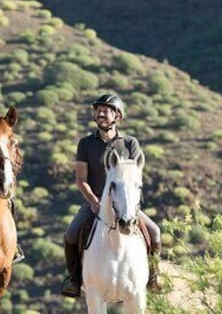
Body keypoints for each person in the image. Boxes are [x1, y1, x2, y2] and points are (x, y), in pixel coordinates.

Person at [61, 94, 162, 298]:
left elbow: (135, 179)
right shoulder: (86, 144)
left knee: (155, 232)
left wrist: (130, 205)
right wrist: (94, 202)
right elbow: (81, 180)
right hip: (95, 202)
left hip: (125, 203)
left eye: (106, 110)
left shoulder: (130, 144)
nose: (100, 113)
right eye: (98, 110)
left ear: (117, 115)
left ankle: (153, 277)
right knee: (71, 234)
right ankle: (74, 279)